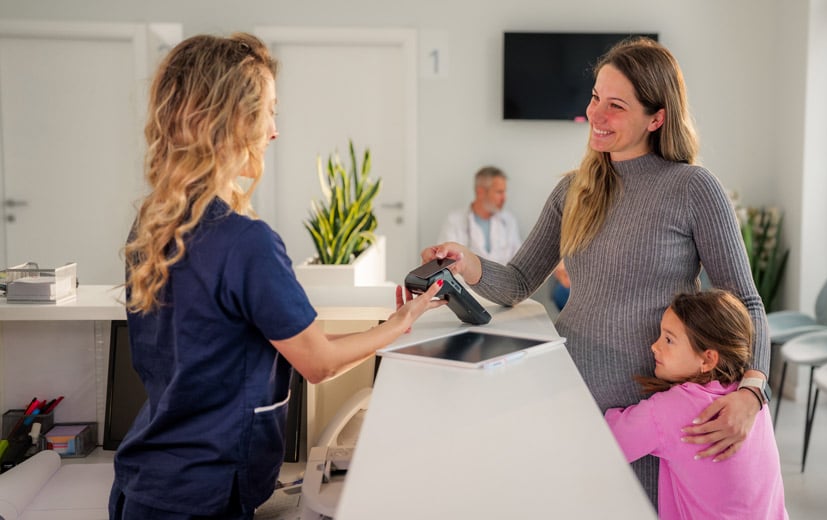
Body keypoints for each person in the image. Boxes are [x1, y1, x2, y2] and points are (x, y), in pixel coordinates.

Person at [421, 37, 770, 506]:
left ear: (656, 118)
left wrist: (753, 391)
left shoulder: (693, 188)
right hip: (569, 393)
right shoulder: (574, 190)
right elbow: (519, 281)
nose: (595, 114)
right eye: (595, 98)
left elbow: (746, 302)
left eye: (616, 106)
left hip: (648, 411)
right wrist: (469, 263)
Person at [110, 33, 445, 520]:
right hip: (202, 499)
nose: (274, 131)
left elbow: (294, 347)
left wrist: (391, 325)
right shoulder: (246, 242)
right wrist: (402, 322)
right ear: (232, 120)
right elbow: (319, 363)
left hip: (143, 487)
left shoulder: (153, 226)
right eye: (268, 112)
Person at [605, 291, 788, 519]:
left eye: (668, 340)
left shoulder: (670, 408)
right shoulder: (751, 403)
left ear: (708, 359)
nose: (654, 346)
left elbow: (609, 442)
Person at [437, 166, 521, 264]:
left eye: (504, 192)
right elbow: (444, 262)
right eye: (499, 192)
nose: (504, 198)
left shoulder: (509, 221)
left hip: (502, 274)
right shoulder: (455, 221)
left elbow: (518, 261)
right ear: (480, 192)